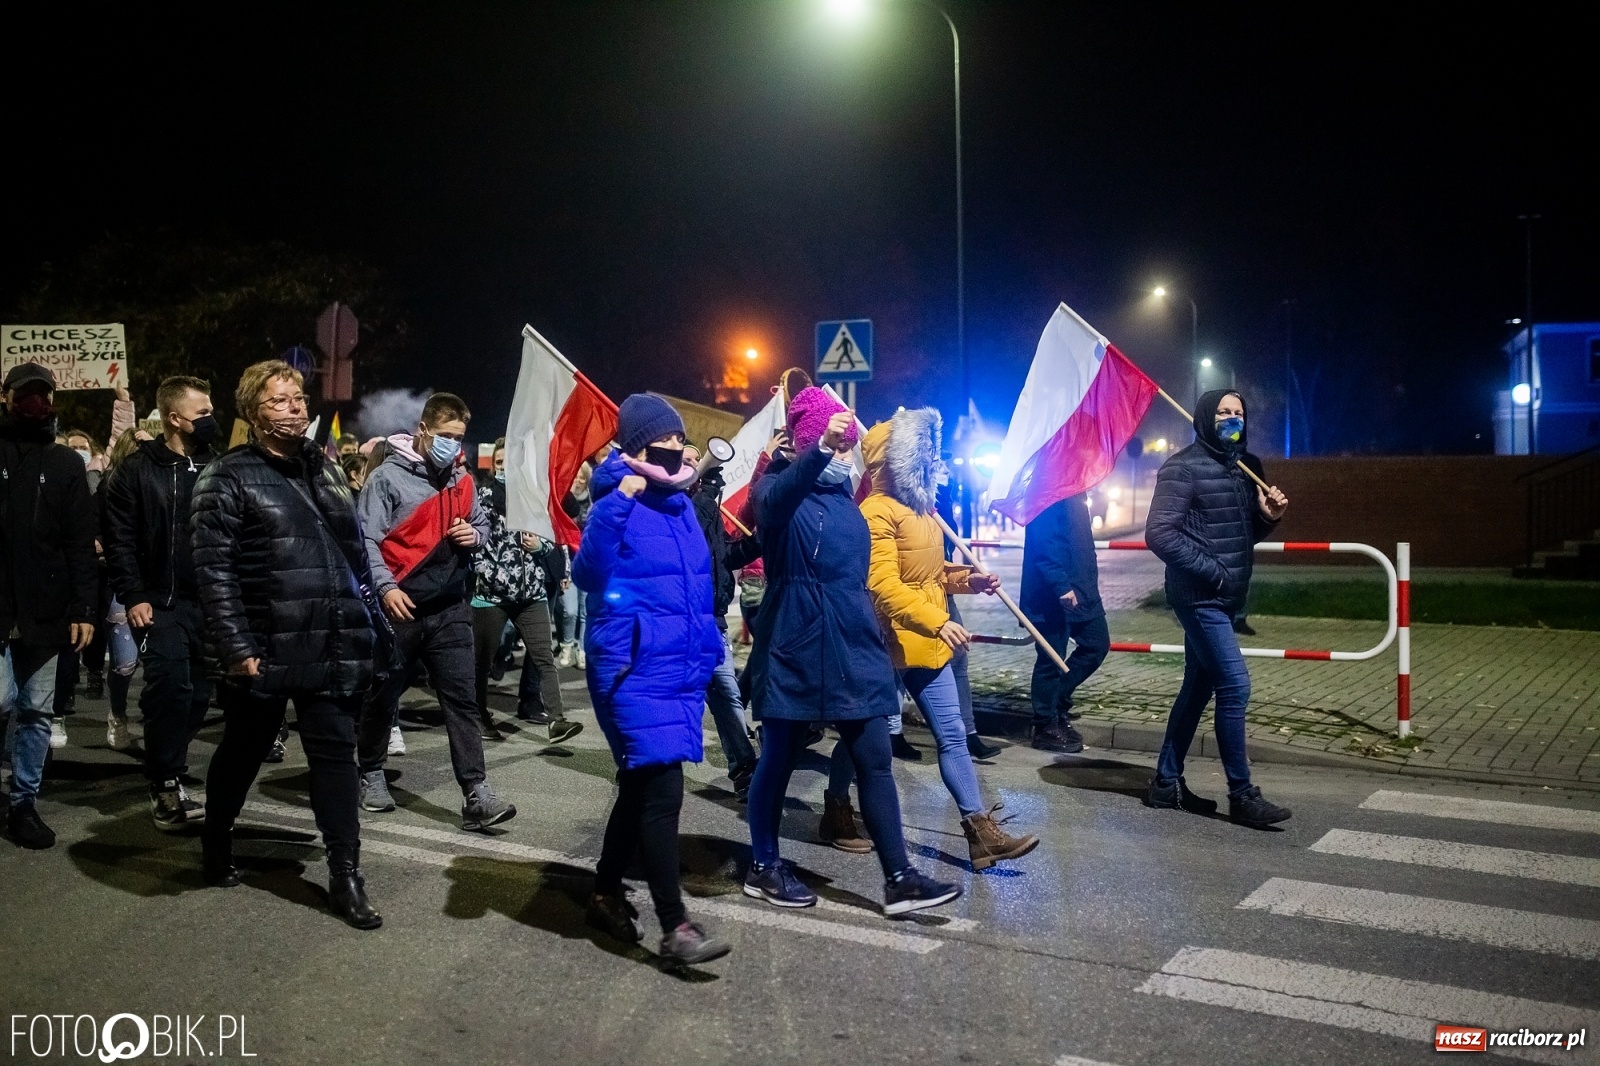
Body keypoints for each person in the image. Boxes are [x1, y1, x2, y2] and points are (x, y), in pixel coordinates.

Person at [742, 387, 960, 916]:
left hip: (852, 637)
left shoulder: (847, 499)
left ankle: (900, 878)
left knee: (875, 757)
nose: (842, 452)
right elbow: (769, 506)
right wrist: (817, 448)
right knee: (779, 757)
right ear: (806, 437)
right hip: (795, 637)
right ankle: (764, 865)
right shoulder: (777, 483)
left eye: (842, 444)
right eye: (829, 441)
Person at [191, 359, 382, 927]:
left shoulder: (323, 471)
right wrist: (235, 646)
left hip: (328, 639)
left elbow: (349, 555)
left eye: (298, 397)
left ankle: (346, 874)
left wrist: (368, 624)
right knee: (244, 749)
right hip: (264, 644)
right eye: (279, 400)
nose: (295, 407)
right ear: (252, 413)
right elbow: (213, 571)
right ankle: (216, 838)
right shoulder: (225, 477)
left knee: (333, 754)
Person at [573, 394, 730, 967]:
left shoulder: (681, 502)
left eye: (678, 439)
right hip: (630, 666)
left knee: (640, 786)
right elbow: (587, 574)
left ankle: (605, 891)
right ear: (636, 445)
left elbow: (697, 581)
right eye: (663, 440)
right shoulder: (617, 494)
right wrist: (620, 501)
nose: (675, 448)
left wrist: (707, 646)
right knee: (662, 789)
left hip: (678, 667)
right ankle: (675, 925)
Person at [845, 408, 1040, 870]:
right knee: (862, 740)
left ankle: (980, 834)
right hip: (887, 644)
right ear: (895, 462)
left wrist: (968, 580)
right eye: (923, 457)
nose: (932, 465)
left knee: (952, 735)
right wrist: (936, 621)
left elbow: (928, 574)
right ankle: (837, 806)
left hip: (928, 644)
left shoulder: (923, 511)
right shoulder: (875, 512)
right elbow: (882, 585)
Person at [354, 392, 515, 832]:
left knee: (462, 701)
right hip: (400, 608)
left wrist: (474, 534)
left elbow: (481, 524)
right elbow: (365, 539)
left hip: (449, 609)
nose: (452, 445)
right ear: (423, 430)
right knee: (383, 694)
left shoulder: (462, 481)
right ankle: (369, 770)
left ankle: (476, 793)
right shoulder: (387, 478)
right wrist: (385, 588)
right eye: (445, 436)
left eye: (458, 437)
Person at [1143, 389, 1292, 828]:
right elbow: (1160, 534)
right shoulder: (1183, 467)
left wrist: (1267, 517)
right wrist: (1214, 572)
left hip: (1225, 599)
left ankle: (1166, 784)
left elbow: (1238, 538)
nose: (1232, 419)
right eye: (1223, 412)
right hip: (1198, 597)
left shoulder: (1243, 468)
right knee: (1235, 685)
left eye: (1239, 413)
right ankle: (1242, 794)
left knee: (1198, 688)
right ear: (1206, 417)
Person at [101, 375, 219, 829]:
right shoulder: (137, 470)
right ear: (175, 418)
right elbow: (120, 540)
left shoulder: (217, 466)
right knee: (171, 689)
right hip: (160, 604)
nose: (211, 419)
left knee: (199, 695)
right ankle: (165, 782)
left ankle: (170, 763)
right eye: (203, 413)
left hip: (209, 605)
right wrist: (134, 595)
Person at [1, 363, 97, 849]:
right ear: (6, 397)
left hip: (48, 608)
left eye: (42, 395)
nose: (35, 404)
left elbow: (80, 542)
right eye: (25, 395)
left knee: (37, 710)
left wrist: (83, 606)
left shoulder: (65, 464)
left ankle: (23, 803)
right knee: (1, 700)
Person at [471, 438, 581, 742]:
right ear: (493, 466)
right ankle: (478, 716)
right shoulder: (484, 496)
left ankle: (557, 720)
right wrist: (490, 574)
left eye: (510, 462)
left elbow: (552, 537)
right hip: (492, 595)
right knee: (483, 660)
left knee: (544, 656)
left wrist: (541, 546)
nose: (505, 468)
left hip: (531, 593)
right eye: (499, 463)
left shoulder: (535, 497)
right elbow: (475, 541)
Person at [682, 441, 761, 796]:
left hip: (712, 620)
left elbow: (723, 555)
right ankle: (641, 769)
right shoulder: (672, 503)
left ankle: (744, 768)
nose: (697, 465)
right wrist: (708, 492)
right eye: (688, 461)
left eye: (699, 460)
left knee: (727, 693)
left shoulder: (706, 505)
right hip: (683, 622)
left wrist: (758, 542)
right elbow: (689, 538)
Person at [1019, 492, 1109, 753]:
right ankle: (1045, 724)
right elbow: (1044, 544)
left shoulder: (1076, 489)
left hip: (1082, 586)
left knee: (1096, 644)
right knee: (1051, 658)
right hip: (1052, 594)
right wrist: (1060, 585)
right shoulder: (1047, 489)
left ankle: (1056, 701)